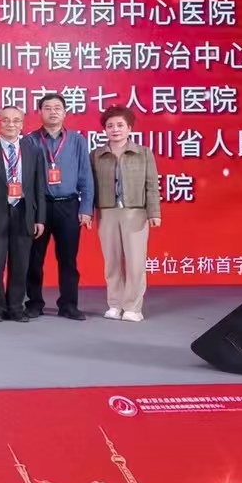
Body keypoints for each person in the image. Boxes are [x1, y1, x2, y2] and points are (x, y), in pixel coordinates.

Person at [0, 106, 48, 322]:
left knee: (21, 265)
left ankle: (15, 307)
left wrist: (40, 218)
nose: (10, 124)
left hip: (23, 213)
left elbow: (39, 187)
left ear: (22, 124)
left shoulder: (33, 151)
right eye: (5, 120)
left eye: (16, 120)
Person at [25, 92, 94, 321]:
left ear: (65, 112)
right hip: (40, 207)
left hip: (69, 206)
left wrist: (86, 209)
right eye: (47, 108)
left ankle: (69, 304)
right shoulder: (30, 140)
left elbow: (86, 176)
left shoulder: (77, 140)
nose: (53, 112)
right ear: (39, 112)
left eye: (57, 108)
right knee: (34, 259)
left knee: (68, 259)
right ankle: (34, 303)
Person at [92, 106, 162, 322]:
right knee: (111, 261)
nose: (115, 129)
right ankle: (114, 304)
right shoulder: (97, 155)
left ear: (129, 128)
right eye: (110, 126)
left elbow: (152, 184)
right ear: (104, 130)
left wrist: (154, 212)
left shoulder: (143, 153)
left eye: (120, 125)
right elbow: (89, 186)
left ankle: (132, 307)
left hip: (135, 212)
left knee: (135, 262)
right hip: (107, 212)